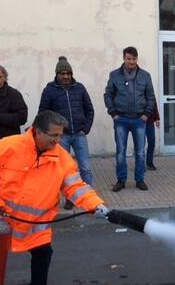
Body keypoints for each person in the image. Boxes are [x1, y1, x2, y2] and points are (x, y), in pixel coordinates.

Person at [0, 111, 107, 285]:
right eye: (53, 135)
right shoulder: (6, 147)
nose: (58, 140)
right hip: (2, 218)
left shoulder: (61, 158)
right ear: (37, 132)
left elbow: (75, 186)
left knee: (43, 254)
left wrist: (96, 205)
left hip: (37, 223)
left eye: (60, 135)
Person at [39, 56, 94, 210]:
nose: (65, 76)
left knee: (85, 167)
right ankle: (70, 197)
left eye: (68, 73)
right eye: (62, 73)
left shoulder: (80, 88)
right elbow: (43, 113)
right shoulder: (49, 90)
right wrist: (50, 134)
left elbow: (89, 109)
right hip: (60, 137)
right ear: (57, 74)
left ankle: (89, 197)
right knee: (64, 170)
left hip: (79, 134)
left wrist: (86, 128)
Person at [104, 46, 155, 192]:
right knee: (121, 152)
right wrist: (113, 113)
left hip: (140, 119)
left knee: (140, 152)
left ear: (137, 59)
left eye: (133, 59)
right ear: (124, 58)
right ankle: (121, 180)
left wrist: (147, 114)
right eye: (128, 59)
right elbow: (108, 95)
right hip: (121, 120)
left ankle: (140, 180)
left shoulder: (145, 76)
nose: (131, 62)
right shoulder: (114, 75)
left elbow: (150, 96)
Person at [145, 99, 160, 171]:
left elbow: (154, 105)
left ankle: (149, 163)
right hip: (139, 122)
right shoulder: (137, 90)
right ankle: (140, 165)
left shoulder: (150, 93)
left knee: (152, 142)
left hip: (150, 122)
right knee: (139, 144)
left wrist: (157, 119)